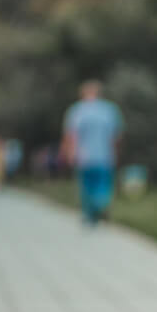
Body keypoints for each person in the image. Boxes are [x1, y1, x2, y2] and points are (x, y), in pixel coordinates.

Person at [62, 80, 123, 225]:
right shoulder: (109, 110)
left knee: (86, 187)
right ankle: (100, 207)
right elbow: (116, 136)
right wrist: (115, 152)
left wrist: (70, 154)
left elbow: (71, 136)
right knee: (102, 185)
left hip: (84, 157)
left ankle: (90, 215)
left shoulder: (77, 111)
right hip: (104, 156)